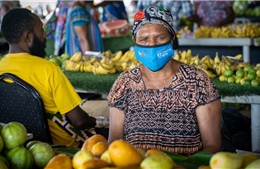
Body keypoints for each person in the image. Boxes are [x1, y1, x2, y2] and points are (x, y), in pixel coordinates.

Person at [107, 5, 222, 156]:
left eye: (160, 37)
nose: (152, 44)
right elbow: (114, 141)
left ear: (172, 38)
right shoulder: (124, 83)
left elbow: (212, 145)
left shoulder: (198, 81)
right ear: (135, 40)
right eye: (144, 39)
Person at [0, 8, 97, 148]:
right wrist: (94, 121)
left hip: (24, 149)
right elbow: (80, 122)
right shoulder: (48, 70)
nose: (45, 34)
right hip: (66, 149)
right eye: (41, 29)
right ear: (28, 38)